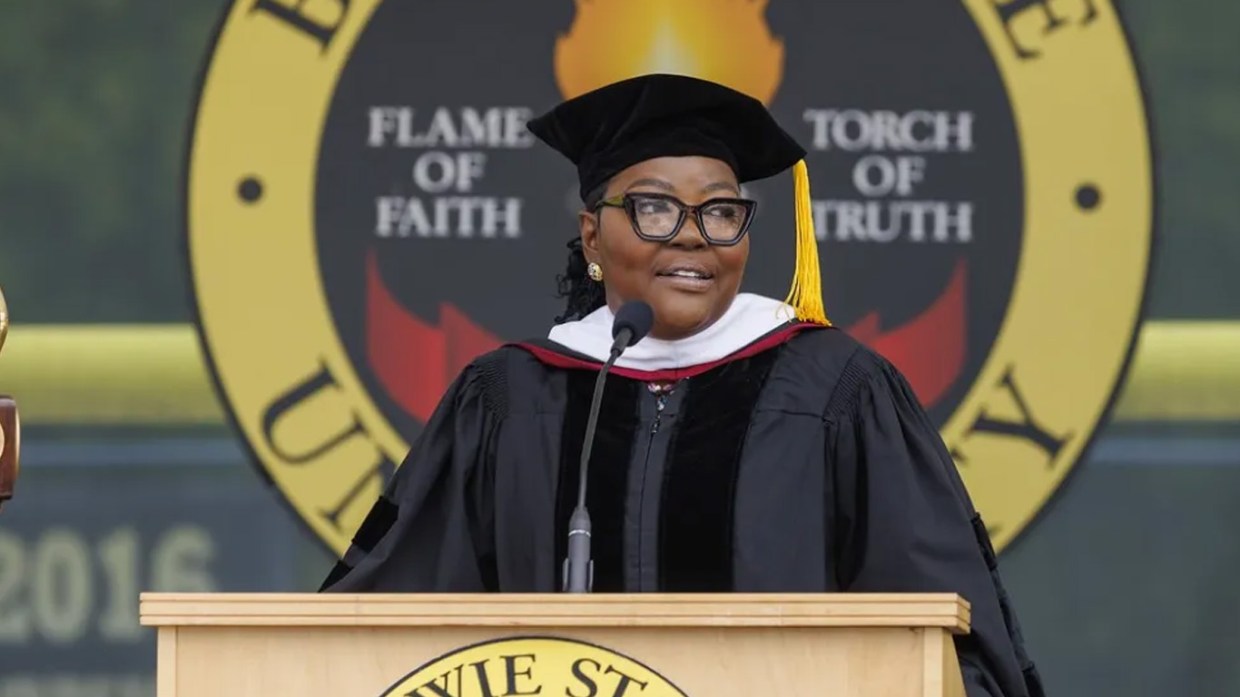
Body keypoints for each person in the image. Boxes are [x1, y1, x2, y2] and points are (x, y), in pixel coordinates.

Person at [320, 73, 1044, 697]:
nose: (694, 234)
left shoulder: (838, 394)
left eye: (722, 211)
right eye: (655, 206)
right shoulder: (510, 400)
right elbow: (381, 630)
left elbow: (947, 640)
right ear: (593, 236)